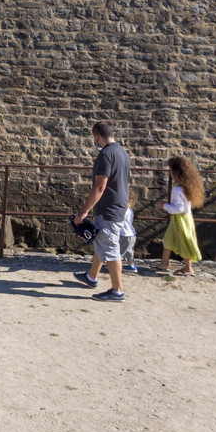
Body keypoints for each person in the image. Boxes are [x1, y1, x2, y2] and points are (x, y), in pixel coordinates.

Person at [72, 121, 131, 302]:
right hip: (119, 207)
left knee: (111, 249)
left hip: (108, 210)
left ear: (97, 136)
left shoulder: (105, 155)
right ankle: (91, 277)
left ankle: (117, 291)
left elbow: (99, 187)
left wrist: (84, 212)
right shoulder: (123, 153)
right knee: (102, 240)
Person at [160, 155, 205, 275]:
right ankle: (163, 264)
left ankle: (188, 268)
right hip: (185, 217)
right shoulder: (187, 187)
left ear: (176, 172)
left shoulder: (177, 190)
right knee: (168, 240)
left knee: (184, 241)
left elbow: (178, 208)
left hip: (180, 219)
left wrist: (164, 205)